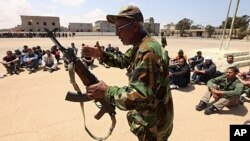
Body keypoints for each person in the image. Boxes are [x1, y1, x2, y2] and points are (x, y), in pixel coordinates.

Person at [82, 5, 173, 141]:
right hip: (154, 119)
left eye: (120, 29)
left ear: (135, 26)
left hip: (154, 126)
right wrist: (102, 55)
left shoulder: (147, 52)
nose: (117, 34)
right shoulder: (140, 46)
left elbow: (140, 96)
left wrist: (106, 91)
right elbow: (123, 60)